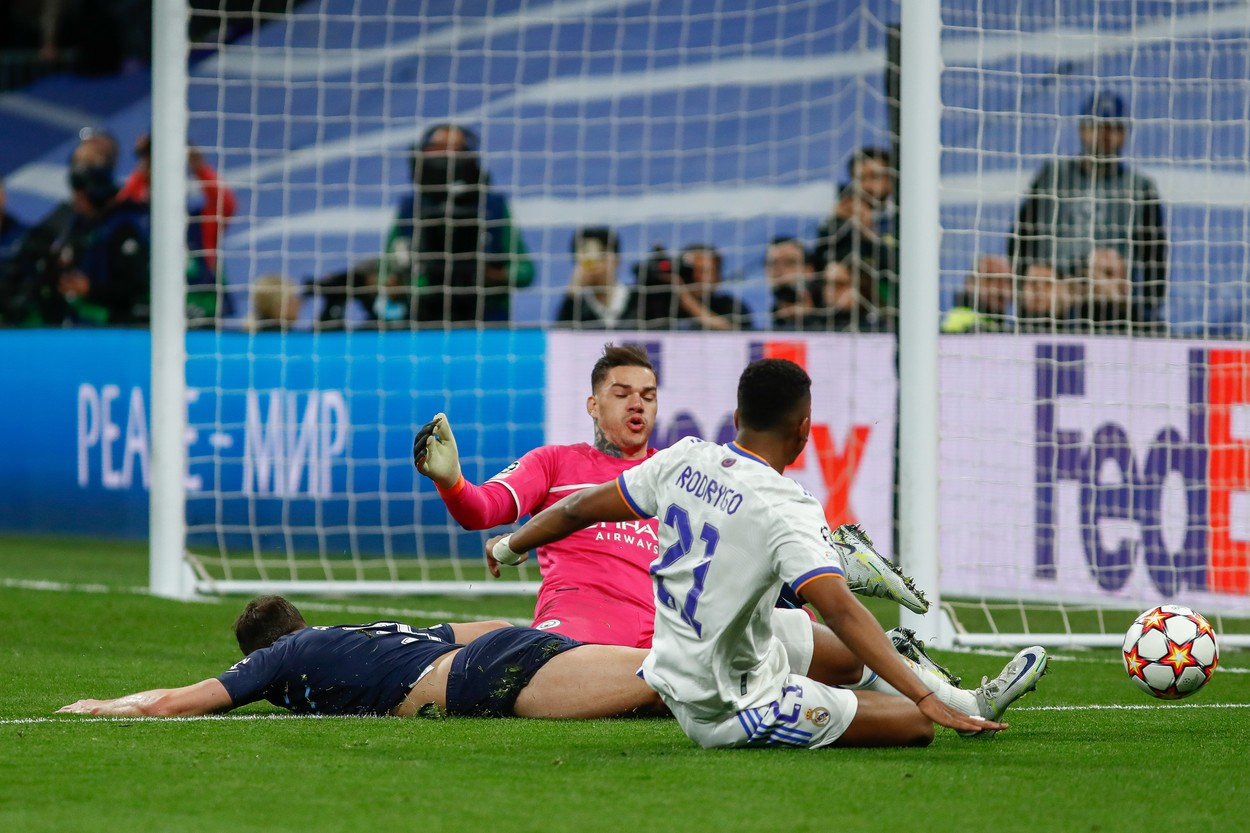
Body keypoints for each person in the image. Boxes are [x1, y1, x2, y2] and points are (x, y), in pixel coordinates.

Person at [488, 358, 1048, 749]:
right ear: (804, 430)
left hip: (682, 654)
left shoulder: (683, 457)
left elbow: (578, 508)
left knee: (840, 653)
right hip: (721, 702)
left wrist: (512, 543)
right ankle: (911, 694)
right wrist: (924, 700)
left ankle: (967, 701)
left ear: (737, 419)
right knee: (912, 726)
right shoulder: (788, 508)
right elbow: (842, 609)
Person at [57, 595, 664, 719]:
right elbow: (493, 624)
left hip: (478, 679)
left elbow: (184, 701)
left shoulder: (286, 656)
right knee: (662, 695)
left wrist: (109, 704)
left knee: (672, 676)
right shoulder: (368, 632)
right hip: (502, 653)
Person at [414, 343, 661, 647]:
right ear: (593, 405)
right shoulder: (554, 462)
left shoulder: (675, 472)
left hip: (662, 629)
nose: (637, 404)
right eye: (622, 394)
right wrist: (451, 481)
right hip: (579, 619)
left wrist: (509, 543)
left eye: (648, 397)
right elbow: (480, 511)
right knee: (550, 667)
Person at [1008, 92, 1167, 334]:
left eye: (1112, 127)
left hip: (1112, 299)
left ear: (1124, 134)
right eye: (1096, 126)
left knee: (1108, 277)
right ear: (1082, 130)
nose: (1103, 135)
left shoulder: (1140, 188)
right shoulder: (1052, 177)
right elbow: (1020, 238)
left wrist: (1143, 303)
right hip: (1055, 292)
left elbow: (1155, 259)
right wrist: (1028, 286)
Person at [380, 123, 534, 324]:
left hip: (486, 316)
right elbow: (387, 271)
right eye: (438, 149)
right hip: (422, 316)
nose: (445, 158)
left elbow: (525, 271)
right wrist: (398, 282)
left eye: (453, 150)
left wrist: (493, 275)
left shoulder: (492, 207)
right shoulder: (411, 208)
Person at [115, 133, 238, 321]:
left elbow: (226, 204)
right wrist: (143, 167)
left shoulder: (201, 223)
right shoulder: (136, 226)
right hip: (153, 317)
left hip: (204, 318)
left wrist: (199, 167)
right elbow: (117, 210)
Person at [813, 147, 898, 319]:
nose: (866, 186)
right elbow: (819, 266)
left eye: (874, 177)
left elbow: (903, 270)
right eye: (860, 178)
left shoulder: (906, 221)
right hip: (844, 313)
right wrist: (833, 227)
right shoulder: (840, 221)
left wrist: (868, 233)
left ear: (891, 180)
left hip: (893, 311)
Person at [553, 226, 641, 330]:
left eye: (601, 254)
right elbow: (560, 338)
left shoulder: (639, 299)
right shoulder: (575, 311)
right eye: (586, 257)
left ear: (617, 259)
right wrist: (571, 294)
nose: (595, 264)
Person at [941, 254, 1014, 334]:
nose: (1000, 288)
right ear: (969, 283)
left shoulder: (1003, 325)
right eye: (990, 279)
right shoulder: (961, 324)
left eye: (1007, 280)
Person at [764, 237, 816, 330]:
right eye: (773, 263)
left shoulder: (830, 315)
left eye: (789, 262)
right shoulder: (762, 316)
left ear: (809, 271)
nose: (780, 269)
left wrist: (809, 319)